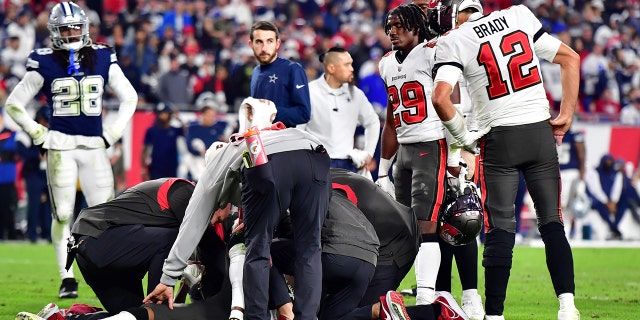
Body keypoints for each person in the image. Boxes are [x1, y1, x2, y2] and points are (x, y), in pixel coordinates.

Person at [430, 1, 581, 319]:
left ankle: (495, 314)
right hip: (539, 133)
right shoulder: (519, 15)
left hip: (498, 140)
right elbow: (570, 58)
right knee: (552, 224)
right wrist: (566, 113)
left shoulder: (455, 39)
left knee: (500, 229)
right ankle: (567, 307)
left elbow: (441, 97)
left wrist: (464, 138)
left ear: (455, 15)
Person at [144, 98, 331, 320]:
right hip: (315, 154)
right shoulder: (269, 136)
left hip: (267, 159)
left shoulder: (222, 159)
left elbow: (193, 220)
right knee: (310, 249)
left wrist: (168, 278)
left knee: (257, 249)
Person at [4, 1, 137, 299]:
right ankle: (67, 276)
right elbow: (13, 103)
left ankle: (108, 270)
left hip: (93, 146)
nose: (72, 32)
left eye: (76, 26)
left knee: (106, 213)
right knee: (63, 213)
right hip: (61, 146)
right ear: (54, 31)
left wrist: (112, 132)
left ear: (85, 27)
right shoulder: (46, 61)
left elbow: (130, 97)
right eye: (65, 28)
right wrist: (39, 132)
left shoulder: (102, 56)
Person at [375, 3, 447, 306]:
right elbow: (391, 119)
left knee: (427, 224)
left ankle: (427, 297)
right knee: (405, 228)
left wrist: (459, 153)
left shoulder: (433, 53)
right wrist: (382, 170)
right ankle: (394, 292)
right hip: (404, 151)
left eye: (399, 25)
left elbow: (452, 103)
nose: (392, 31)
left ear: (417, 26)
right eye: (389, 26)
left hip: (431, 146)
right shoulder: (386, 63)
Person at [68, 178, 196, 314]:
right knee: (171, 238)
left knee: (136, 315)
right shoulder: (186, 192)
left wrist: (186, 285)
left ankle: (63, 317)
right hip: (98, 238)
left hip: (93, 247)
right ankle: (159, 310)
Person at [300, 47, 380, 175]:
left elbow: (373, 122)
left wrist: (369, 153)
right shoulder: (309, 93)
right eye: (347, 65)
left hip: (348, 164)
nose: (352, 69)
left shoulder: (356, 94)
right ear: (331, 68)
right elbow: (298, 131)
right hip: (317, 164)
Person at [248, 20, 311, 128]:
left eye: (269, 41)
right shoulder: (255, 71)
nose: (264, 48)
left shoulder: (293, 69)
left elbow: (304, 114)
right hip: (259, 140)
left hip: (283, 141)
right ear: (251, 44)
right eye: (259, 42)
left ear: (277, 44)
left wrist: (271, 112)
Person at [15, 106, 52, 243]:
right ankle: (32, 234)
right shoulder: (27, 132)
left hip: (49, 172)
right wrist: (37, 156)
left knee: (50, 205)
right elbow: (21, 152)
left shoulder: (52, 131)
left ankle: (48, 234)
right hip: (33, 173)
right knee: (34, 204)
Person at [183, 96, 229, 182]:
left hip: (213, 164)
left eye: (212, 115)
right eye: (208, 115)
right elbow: (189, 145)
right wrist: (200, 152)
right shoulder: (193, 128)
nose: (210, 117)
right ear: (202, 114)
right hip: (196, 162)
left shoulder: (218, 129)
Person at [584, 154, 626, 240]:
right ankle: (614, 228)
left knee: (624, 203)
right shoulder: (595, 172)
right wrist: (606, 202)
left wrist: (613, 202)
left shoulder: (617, 173)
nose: (609, 163)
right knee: (599, 205)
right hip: (600, 200)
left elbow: (617, 189)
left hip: (613, 200)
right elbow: (596, 189)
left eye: (610, 161)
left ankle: (614, 227)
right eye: (607, 161)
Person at [141, 103, 184, 181]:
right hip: (156, 167)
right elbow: (144, 149)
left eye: (164, 113)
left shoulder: (174, 130)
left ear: (170, 115)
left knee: (171, 190)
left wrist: (179, 118)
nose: (161, 116)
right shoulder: (151, 131)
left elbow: (185, 131)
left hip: (171, 167)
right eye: (159, 113)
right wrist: (143, 168)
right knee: (156, 190)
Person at [557, 127, 587, 238]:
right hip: (559, 172)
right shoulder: (553, 135)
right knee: (561, 205)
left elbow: (582, 156)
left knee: (572, 204)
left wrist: (582, 174)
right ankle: (565, 231)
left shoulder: (575, 135)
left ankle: (572, 232)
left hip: (571, 172)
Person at [0, 109, 19, 241]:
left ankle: (11, 234)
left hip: (6, 176)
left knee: (7, 207)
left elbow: (13, 150)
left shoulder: (10, 133)